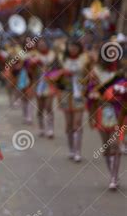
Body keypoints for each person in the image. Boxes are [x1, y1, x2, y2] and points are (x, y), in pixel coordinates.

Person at [46, 40, 91, 161]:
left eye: (75, 47)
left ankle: (78, 152)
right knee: (69, 125)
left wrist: (86, 83)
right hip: (65, 94)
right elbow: (50, 73)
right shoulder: (61, 59)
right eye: (71, 46)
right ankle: (71, 149)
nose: (73, 49)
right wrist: (61, 73)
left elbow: (91, 75)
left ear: (79, 48)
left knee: (78, 123)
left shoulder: (86, 59)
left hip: (79, 94)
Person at [87, 48, 124, 189]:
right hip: (101, 111)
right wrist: (92, 95)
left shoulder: (122, 72)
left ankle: (114, 178)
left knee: (116, 145)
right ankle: (112, 174)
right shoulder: (95, 72)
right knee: (107, 147)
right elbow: (89, 90)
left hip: (118, 112)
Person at [32, 37, 57, 138]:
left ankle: (50, 129)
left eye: (44, 44)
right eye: (40, 44)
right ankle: (41, 128)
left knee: (49, 107)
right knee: (40, 108)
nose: (42, 45)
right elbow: (30, 70)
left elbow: (57, 68)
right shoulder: (34, 55)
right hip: (38, 84)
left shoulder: (53, 55)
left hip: (50, 84)